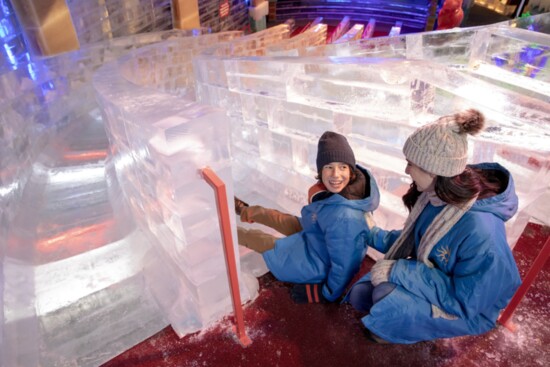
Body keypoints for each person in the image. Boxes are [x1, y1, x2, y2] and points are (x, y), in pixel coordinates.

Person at [346, 109, 521, 344]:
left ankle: (393, 330)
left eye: (411, 164)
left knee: (384, 297)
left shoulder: (481, 231)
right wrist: (372, 233)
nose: (406, 171)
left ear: (433, 169)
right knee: (361, 295)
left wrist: (397, 271)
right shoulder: (436, 197)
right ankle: (396, 316)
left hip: (469, 307)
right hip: (437, 279)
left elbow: (469, 298)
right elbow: (418, 239)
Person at [236, 131, 380, 303]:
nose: (335, 174)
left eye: (342, 166)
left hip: (319, 261)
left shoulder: (345, 218)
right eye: (329, 167)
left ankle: (230, 232)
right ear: (321, 170)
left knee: (267, 244)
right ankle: (244, 210)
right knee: (278, 217)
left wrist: (325, 293)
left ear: (351, 170)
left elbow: (343, 267)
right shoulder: (342, 192)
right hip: (319, 237)